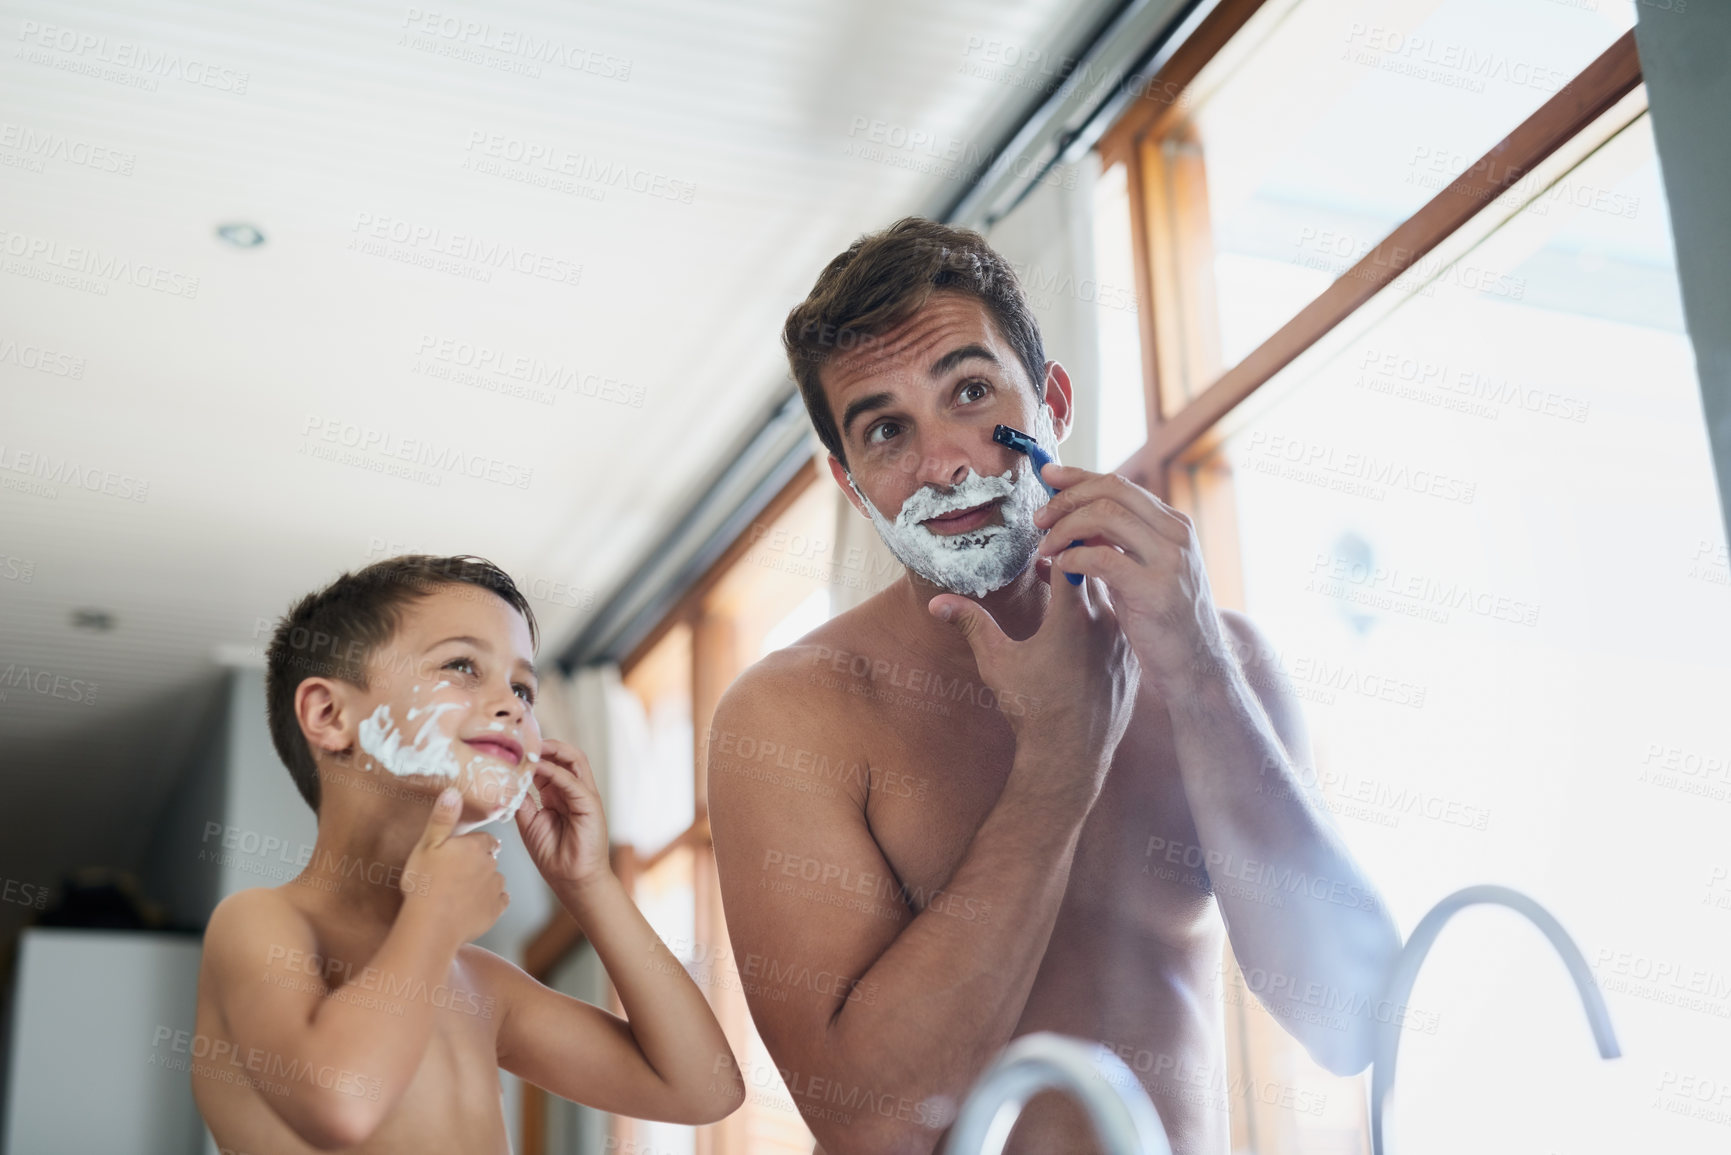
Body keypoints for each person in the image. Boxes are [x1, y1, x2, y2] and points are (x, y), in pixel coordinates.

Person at [707, 219, 1401, 1154]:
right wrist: (1057, 765)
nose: (945, 459)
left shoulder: (1218, 662)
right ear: (850, 481)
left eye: (970, 390)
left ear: (1053, 402)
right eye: (885, 430)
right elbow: (869, 1124)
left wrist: (1196, 673)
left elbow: (1354, 1018)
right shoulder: (797, 715)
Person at [192, 554, 743, 1153]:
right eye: (461, 666)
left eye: (523, 688)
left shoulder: (478, 982)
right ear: (329, 715)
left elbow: (704, 1090)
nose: (512, 704)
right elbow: (341, 1104)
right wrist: (434, 912)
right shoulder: (260, 924)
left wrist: (589, 884)